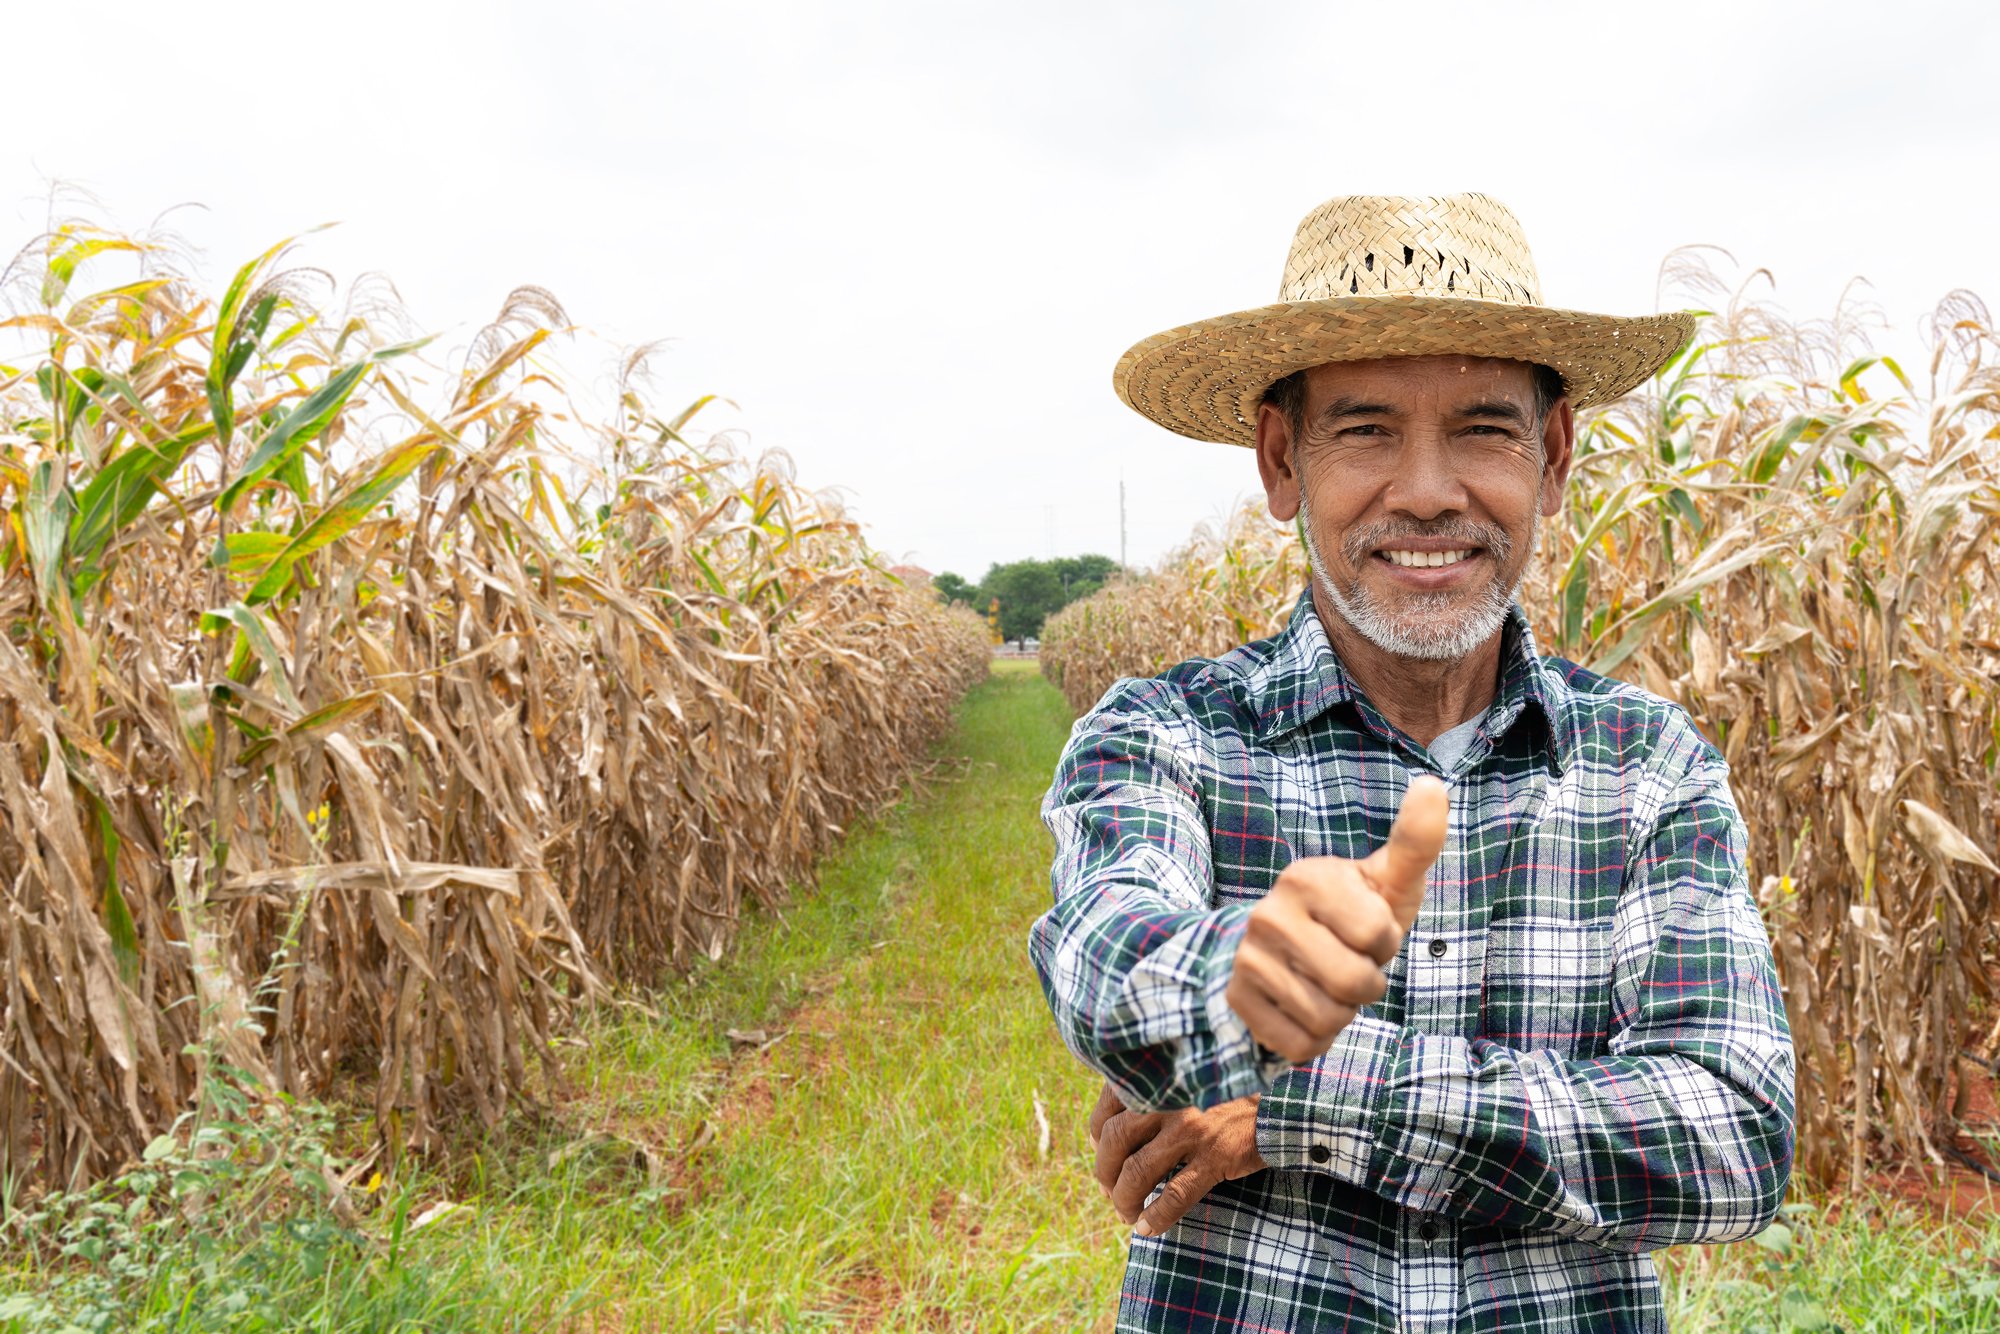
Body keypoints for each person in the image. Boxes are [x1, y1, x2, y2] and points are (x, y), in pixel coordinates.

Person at [1026, 194, 1794, 1332]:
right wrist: (1247, 981)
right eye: (1367, 429)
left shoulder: (1648, 767)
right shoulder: (1163, 734)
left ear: (1553, 453)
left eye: (1482, 428)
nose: (1428, 489)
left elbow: (1731, 1132)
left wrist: (1285, 1098)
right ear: (1282, 462)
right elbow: (1111, 969)